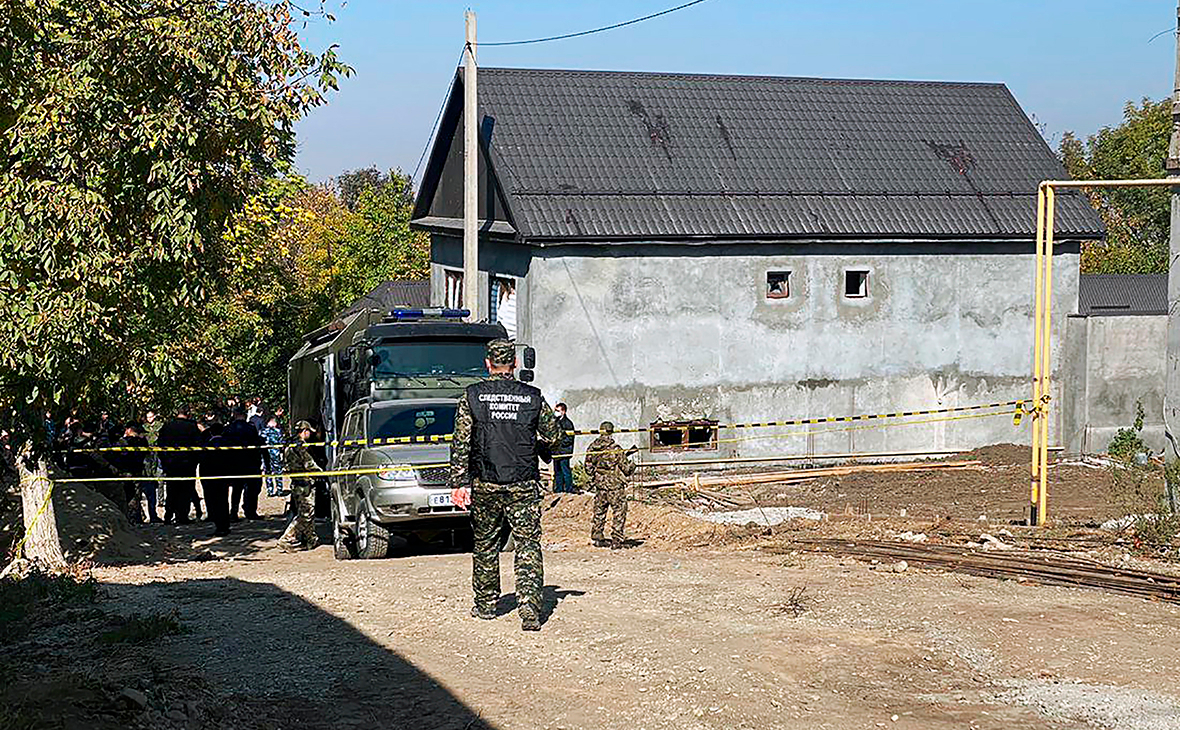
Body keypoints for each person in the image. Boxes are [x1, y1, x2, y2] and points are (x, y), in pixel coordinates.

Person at [450, 339, 560, 632]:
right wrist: (537, 445)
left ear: (488, 363)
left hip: (486, 481)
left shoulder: (472, 396)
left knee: (486, 543)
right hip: (523, 481)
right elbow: (554, 434)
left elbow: (461, 442)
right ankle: (530, 611)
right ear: (515, 364)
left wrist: (459, 482)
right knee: (527, 545)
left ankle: (486, 606)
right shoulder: (532, 396)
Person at [584, 421, 639, 549]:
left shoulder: (592, 447)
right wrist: (632, 465)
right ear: (611, 431)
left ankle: (598, 537)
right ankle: (617, 540)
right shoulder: (615, 448)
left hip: (600, 485)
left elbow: (588, 468)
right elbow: (626, 469)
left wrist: (597, 476)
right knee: (619, 511)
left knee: (599, 511)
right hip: (615, 486)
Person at [277, 420, 320, 551]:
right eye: (308, 432)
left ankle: (311, 539)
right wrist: (322, 473)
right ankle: (286, 538)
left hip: (296, 482)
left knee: (308, 512)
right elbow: (309, 463)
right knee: (305, 514)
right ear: (304, 431)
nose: (310, 435)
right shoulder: (300, 445)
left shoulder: (289, 443)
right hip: (304, 483)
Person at [157, 409, 203, 524]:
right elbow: (198, 446)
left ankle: (168, 516)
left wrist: (165, 461)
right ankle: (182, 516)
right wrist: (195, 462)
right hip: (187, 464)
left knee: (171, 490)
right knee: (185, 491)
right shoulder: (192, 427)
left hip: (171, 463)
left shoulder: (167, 426)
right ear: (187, 414)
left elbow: (160, 446)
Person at [222, 408, 264, 520]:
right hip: (250, 463)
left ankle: (234, 512)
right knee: (250, 489)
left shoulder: (227, 429)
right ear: (244, 416)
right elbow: (256, 445)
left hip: (233, 463)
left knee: (236, 489)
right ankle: (250, 511)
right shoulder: (251, 428)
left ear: (234, 415)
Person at [114, 423, 150, 523]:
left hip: (126, 471)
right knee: (136, 495)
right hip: (137, 470)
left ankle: (131, 517)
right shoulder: (142, 441)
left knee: (127, 495)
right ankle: (136, 517)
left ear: (129, 430)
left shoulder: (124, 441)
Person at [552, 403, 576, 493]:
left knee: (566, 472)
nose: (556, 412)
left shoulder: (568, 423)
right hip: (556, 452)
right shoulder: (555, 422)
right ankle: (559, 490)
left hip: (564, 451)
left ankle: (569, 490)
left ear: (564, 411)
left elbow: (569, 439)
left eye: (558, 411)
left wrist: (558, 442)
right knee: (557, 472)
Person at [260, 415, 285, 497]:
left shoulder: (263, 432)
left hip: (266, 455)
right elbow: (282, 443)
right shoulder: (278, 431)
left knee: (268, 472)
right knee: (278, 472)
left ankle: (270, 491)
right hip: (275, 454)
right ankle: (279, 490)